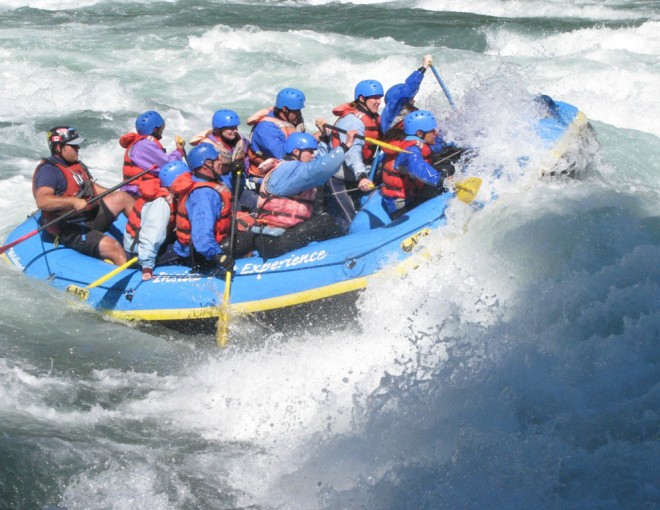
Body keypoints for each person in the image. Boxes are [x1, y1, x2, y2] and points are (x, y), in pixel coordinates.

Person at [32, 126, 135, 265]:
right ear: (58, 148)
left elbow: (90, 187)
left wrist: (111, 193)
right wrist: (73, 201)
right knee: (114, 247)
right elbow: (42, 200)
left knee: (123, 197)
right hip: (68, 227)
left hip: (88, 216)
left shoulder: (74, 164)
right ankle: (127, 279)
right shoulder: (49, 171)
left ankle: (147, 243)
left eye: (78, 145)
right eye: (73, 146)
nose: (78, 149)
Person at [251, 130, 357, 259]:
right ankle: (346, 257)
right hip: (273, 242)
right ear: (296, 152)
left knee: (325, 220)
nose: (313, 155)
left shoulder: (291, 167)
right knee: (326, 221)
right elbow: (321, 168)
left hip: (281, 235)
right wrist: (346, 146)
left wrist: (324, 137)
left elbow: (320, 160)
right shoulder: (289, 170)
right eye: (310, 152)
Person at [169, 143, 250, 271]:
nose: (221, 163)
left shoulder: (207, 180)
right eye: (217, 159)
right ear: (207, 164)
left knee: (249, 225)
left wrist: (235, 174)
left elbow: (234, 193)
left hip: (208, 244)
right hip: (201, 254)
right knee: (251, 238)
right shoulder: (203, 195)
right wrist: (219, 256)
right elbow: (202, 236)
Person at [323, 79, 384, 231]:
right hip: (340, 179)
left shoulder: (374, 117)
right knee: (350, 222)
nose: (378, 101)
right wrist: (361, 175)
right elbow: (353, 152)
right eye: (374, 98)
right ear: (362, 99)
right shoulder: (353, 122)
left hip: (360, 176)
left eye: (380, 97)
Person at [123, 160, 189, 280]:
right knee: (190, 250)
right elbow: (150, 236)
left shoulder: (169, 195)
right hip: (140, 254)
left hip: (147, 245)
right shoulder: (161, 204)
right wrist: (147, 266)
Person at [380, 110, 447, 218]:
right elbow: (419, 169)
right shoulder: (409, 150)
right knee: (443, 186)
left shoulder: (414, 141)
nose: (436, 132)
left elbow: (437, 145)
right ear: (419, 133)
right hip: (402, 205)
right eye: (432, 130)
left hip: (414, 191)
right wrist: (442, 179)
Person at [189, 108, 256, 210]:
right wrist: (229, 168)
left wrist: (244, 168)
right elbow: (204, 173)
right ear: (218, 130)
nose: (235, 131)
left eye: (236, 127)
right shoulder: (207, 147)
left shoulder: (240, 142)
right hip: (219, 190)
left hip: (238, 188)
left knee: (256, 202)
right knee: (235, 210)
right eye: (230, 128)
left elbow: (247, 160)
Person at [246, 87, 306, 191]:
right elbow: (284, 156)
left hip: (286, 173)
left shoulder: (292, 120)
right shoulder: (266, 128)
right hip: (265, 179)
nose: (299, 114)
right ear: (285, 109)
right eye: (296, 111)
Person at [119, 110, 185, 195]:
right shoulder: (146, 145)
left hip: (132, 188)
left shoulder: (138, 143)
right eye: (161, 128)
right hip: (137, 191)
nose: (162, 130)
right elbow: (169, 165)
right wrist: (179, 151)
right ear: (155, 129)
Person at [380, 54, 434, 139]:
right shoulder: (394, 109)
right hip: (400, 146)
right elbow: (408, 89)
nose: (413, 100)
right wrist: (423, 67)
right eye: (411, 98)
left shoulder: (405, 111)